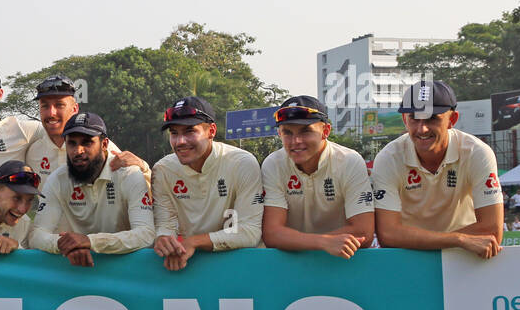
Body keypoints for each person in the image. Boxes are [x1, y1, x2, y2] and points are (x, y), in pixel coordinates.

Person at [370, 81, 503, 258]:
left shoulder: (476, 152)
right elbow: (388, 234)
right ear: (404, 120)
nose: (422, 129)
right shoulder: (388, 158)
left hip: (463, 259)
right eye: (414, 119)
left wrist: (441, 241)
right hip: (411, 258)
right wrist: (458, 239)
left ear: (452, 120)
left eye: (432, 118)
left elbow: (492, 230)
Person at [30, 112, 156, 266]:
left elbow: (146, 234)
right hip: (81, 267)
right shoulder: (57, 179)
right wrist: (65, 245)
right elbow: (37, 235)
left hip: (127, 268)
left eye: (87, 143)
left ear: (104, 144)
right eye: (72, 143)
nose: (78, 151)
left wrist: (90, 241)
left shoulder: (129, 174)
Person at [152, 96, 263, 271]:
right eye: (174, 133)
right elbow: (166, 225)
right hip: (190, 265)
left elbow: (250, 231)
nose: (180, 142)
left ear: (211, 131)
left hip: (242, 268)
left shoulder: (242, 162)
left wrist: (195, 242)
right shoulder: (163, 169)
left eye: (189, 131)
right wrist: (165, 239)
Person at [260, 96, 374, 258]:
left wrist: (312, 242)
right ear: (279, 133)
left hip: (341, 261)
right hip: (292, 262)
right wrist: (323, 242)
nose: (296, 141)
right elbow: (272, 233)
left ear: (325, 131)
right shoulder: (273, 164)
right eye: (287, 133)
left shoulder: (349, 161)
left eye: (306, 131)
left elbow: (364, 232)